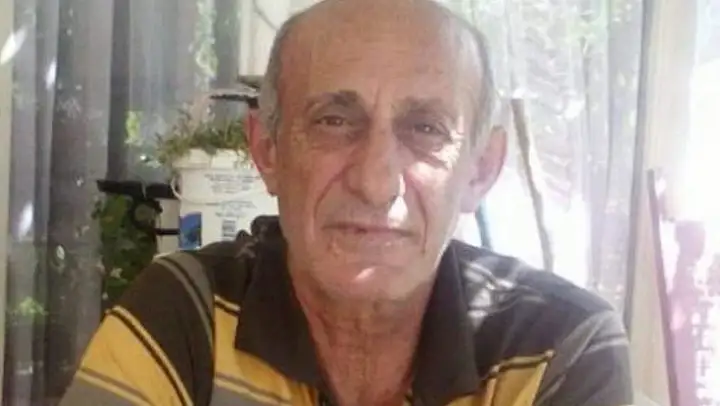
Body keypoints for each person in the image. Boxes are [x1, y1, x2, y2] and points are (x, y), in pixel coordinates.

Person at [60, 0, 633, 405]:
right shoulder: (185, 316)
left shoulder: (559, 346)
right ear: (267, 150)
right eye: (334, 120)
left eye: (426, 129)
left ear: (481, 169)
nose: (376, 182)